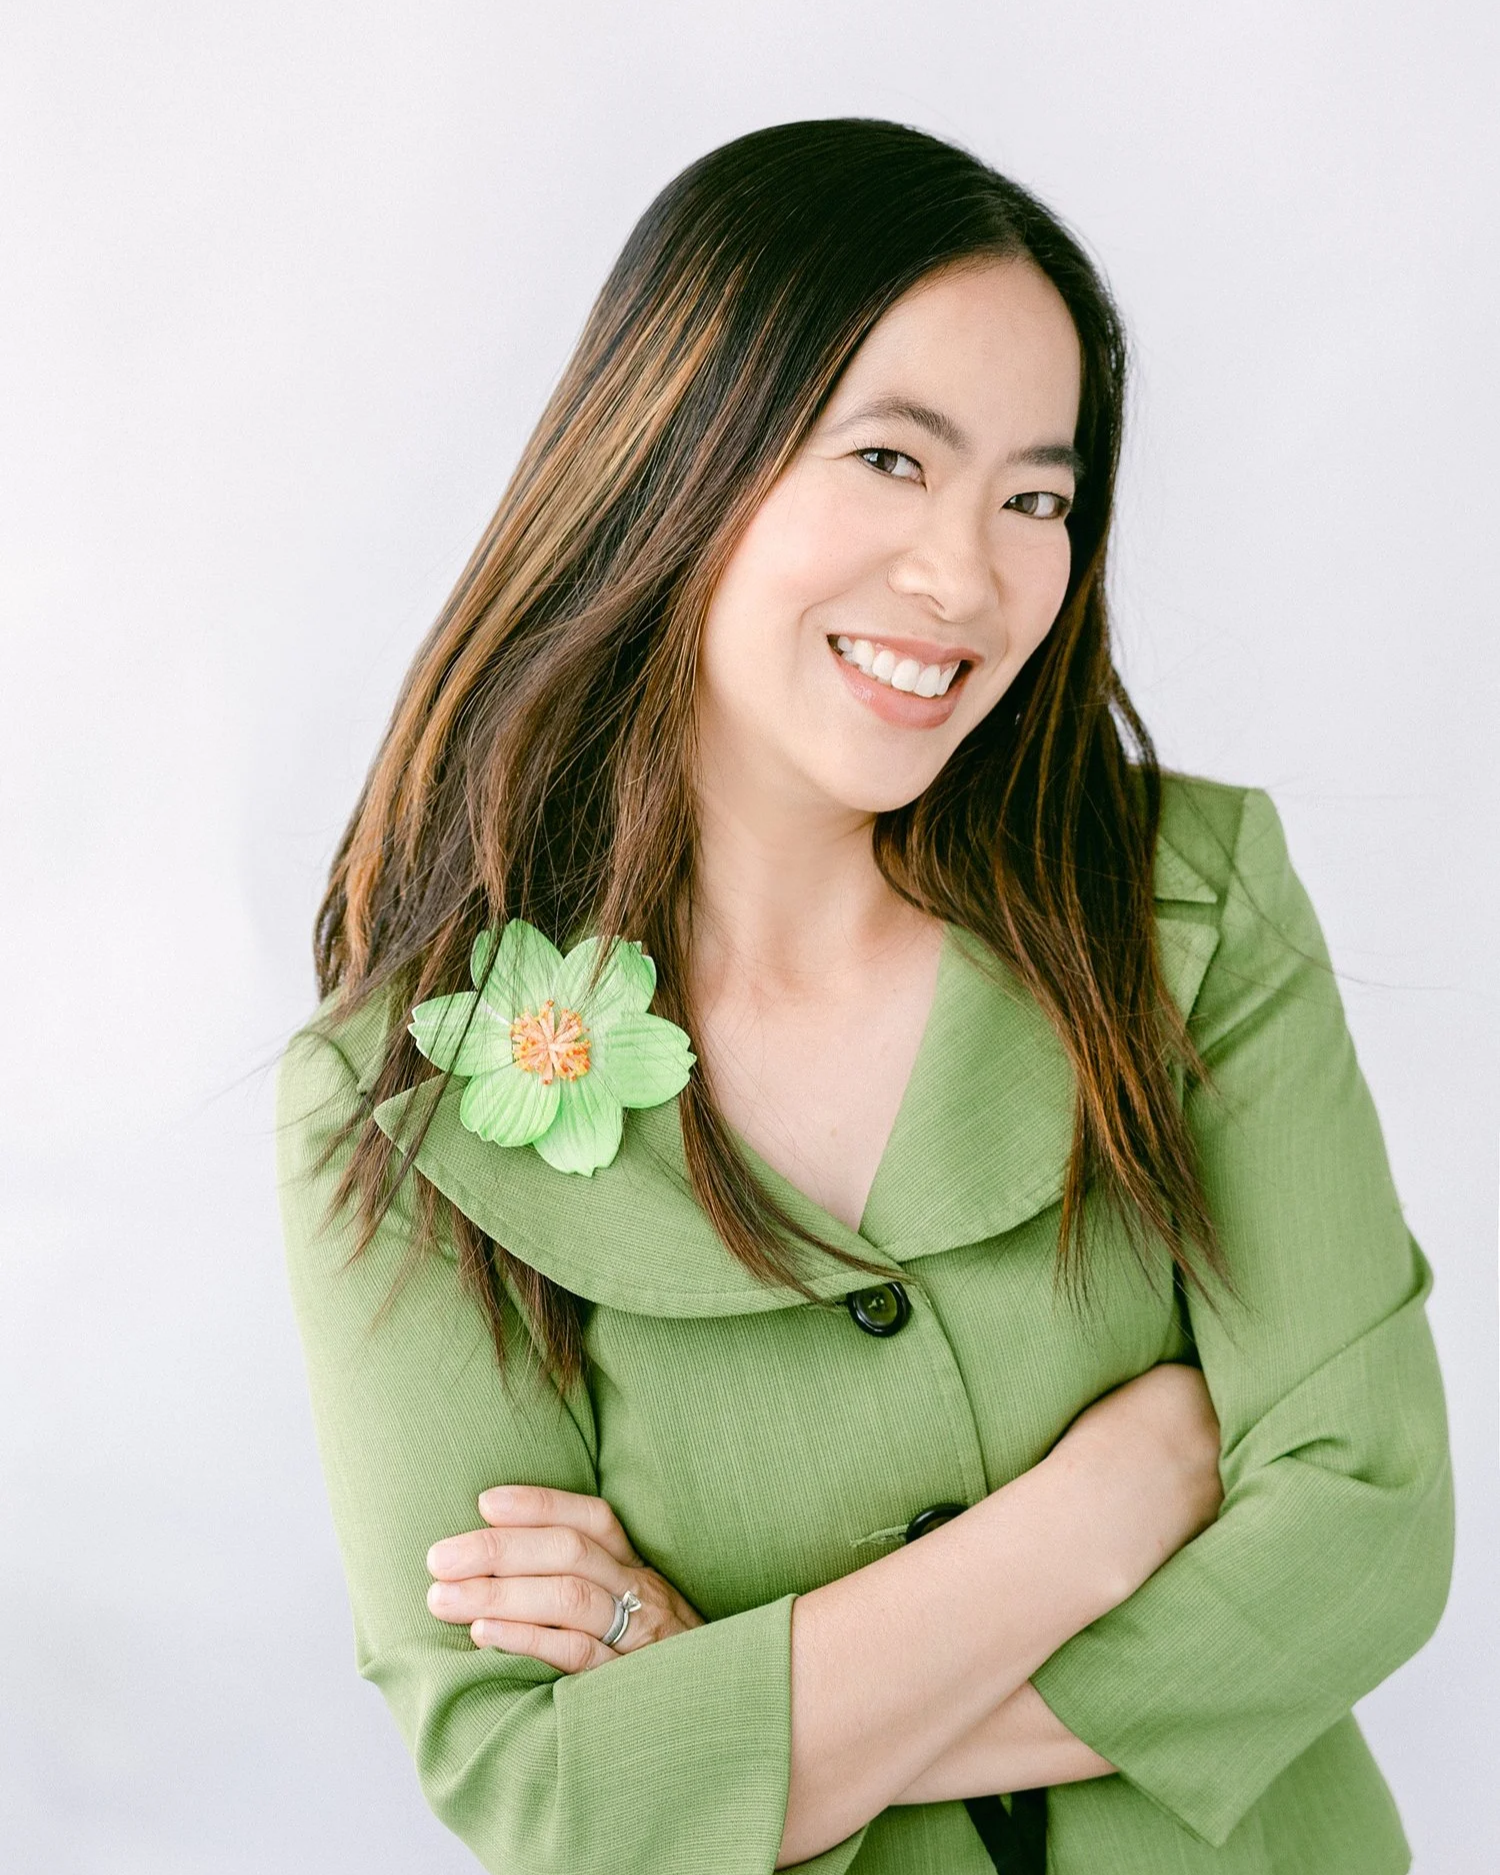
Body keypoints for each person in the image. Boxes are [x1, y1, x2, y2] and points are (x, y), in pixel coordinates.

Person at [275, 119, 1454, 1875]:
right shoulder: (404, 1100)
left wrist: (713, 1708)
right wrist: (1082, 1524)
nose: (968, 577)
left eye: (1035, 498)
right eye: (893, 459)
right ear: (681, 447)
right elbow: (541, 1791)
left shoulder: (1183, 905)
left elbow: (1369, 1522)